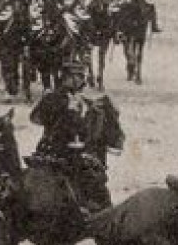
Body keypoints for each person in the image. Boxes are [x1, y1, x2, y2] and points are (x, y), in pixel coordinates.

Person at [29, 58, 117, 214]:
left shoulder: (82, 99)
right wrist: (64, 108)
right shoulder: (54, 97)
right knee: (92, 178)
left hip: (73, 149)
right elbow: (36, 118)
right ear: (66, 77)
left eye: (81, 76)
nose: (81, 80)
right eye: (77, 76)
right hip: (58, 149)